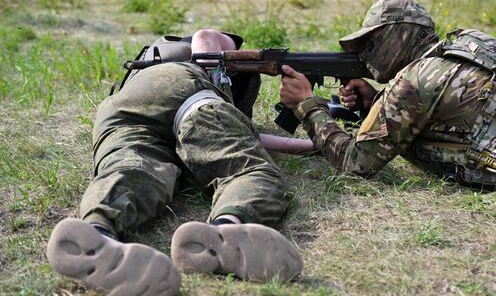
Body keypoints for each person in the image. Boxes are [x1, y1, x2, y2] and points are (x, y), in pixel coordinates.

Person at [46, 29, 303, 296]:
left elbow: (255, 137)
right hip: (187, 90)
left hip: (123, 111)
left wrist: (313, 145)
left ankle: (98, 233)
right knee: (247, 169)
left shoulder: (142, 69)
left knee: (131, 168)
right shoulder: (204, 50)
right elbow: (205, 35)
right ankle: (225, 231)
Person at [280, 0, 496, 188]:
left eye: (371, 42)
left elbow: (355, 164)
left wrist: (307, 105)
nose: (365, 54)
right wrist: (375, 104)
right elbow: (460, 117)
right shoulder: (458, 49)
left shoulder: (412, 82)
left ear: (399, 35)